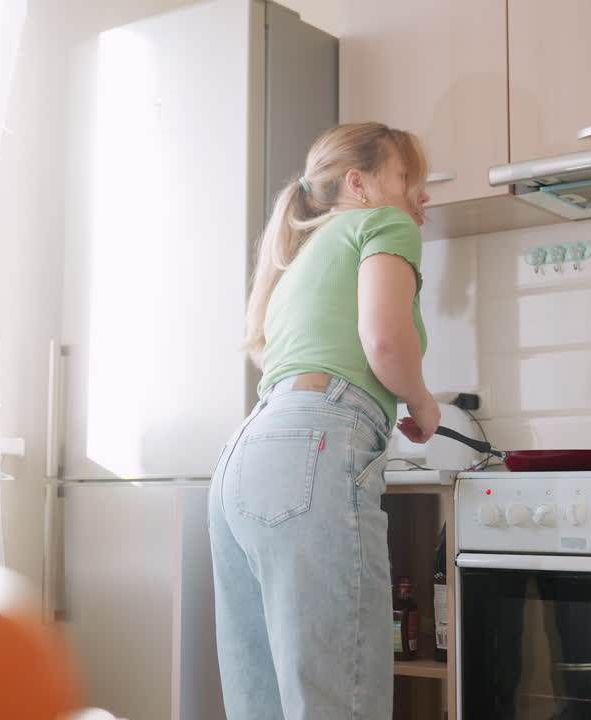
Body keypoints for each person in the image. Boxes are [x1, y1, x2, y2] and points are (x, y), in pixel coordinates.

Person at [208, 121, 436, 719]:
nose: (422, 194)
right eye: (409, 177)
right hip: (312, 447)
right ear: (359, 184)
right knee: (340, 700)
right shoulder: (385, 222)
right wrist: (421, 400)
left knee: (264, 703)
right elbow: (385, 341)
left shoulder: (304, 254)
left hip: (247, 452)